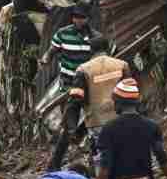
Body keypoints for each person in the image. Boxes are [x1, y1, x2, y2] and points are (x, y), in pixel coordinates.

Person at [49, 35, 127, 171]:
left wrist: (72, 126)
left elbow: (75, 100)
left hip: (97, 121)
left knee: (102, 161)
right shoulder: (122, 65)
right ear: (107, 48)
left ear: (91, 50)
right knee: (124, 155)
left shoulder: (83, 70)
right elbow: (130, 92)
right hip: (121, 119)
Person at [42, 5, 95, 171]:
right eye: (76, 17)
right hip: (68, 86)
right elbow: (51, 51)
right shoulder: (63, 33)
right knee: (68, 126)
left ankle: (94, 162)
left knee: (92, 124)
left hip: (87, 87)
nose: (79, 20)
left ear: (87, 19)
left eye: (82, 17)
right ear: (73, 18)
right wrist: (45, 58)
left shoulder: (94, 37)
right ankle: (55, 164)